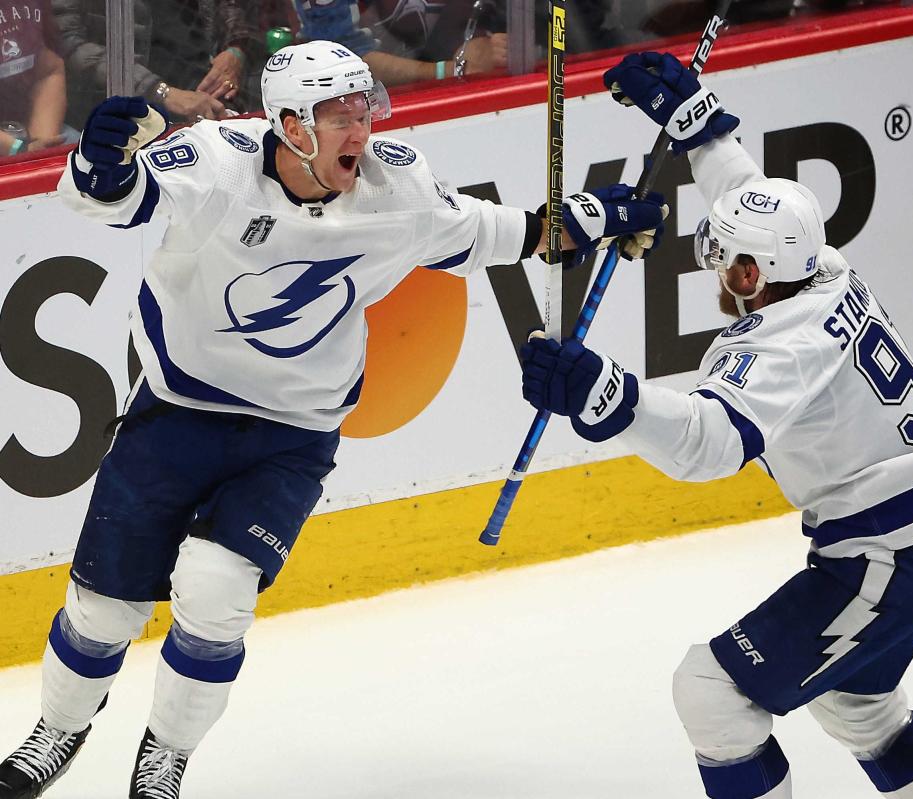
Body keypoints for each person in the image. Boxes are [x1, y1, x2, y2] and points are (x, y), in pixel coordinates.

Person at [0, 40, 666, 799]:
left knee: (216, 589)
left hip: (292, 432)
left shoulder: (397, 189)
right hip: (178, 410)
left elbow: (505, 232)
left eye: (363, 110)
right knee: (101, 605)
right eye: (338, 116)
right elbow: (113, 200)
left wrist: (595, 215)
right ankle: (58, 728)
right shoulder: (218, 160)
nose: (361, 131)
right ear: (289, 125)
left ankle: (168, 750)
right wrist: (102, 162)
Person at [520, 50, 913, 799]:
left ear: (755, 274)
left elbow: (709, 444)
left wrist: (607, 393)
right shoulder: (824, 265)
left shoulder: (781, 342)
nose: (717, 268)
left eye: (724, 258)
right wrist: (699, 127)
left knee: (713, 693)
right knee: (856, 701)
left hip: (893, 550)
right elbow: (754, 198)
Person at [51, 0, 256, 126]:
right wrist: (160, 91)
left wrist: (236, 47)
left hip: (205, 80)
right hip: (125, 101)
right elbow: (68, 43)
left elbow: (228, 6)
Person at [293, 0, 507, 86]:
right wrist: (450, 70)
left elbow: (530, 18)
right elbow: (339, 58)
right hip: (370, 114)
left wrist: (493, 43)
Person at [0, 0, 74, 158]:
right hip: (10, 146)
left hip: (25, 130)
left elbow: (48, 70)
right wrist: (17, 149)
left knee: (90, 158)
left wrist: (41, 148)